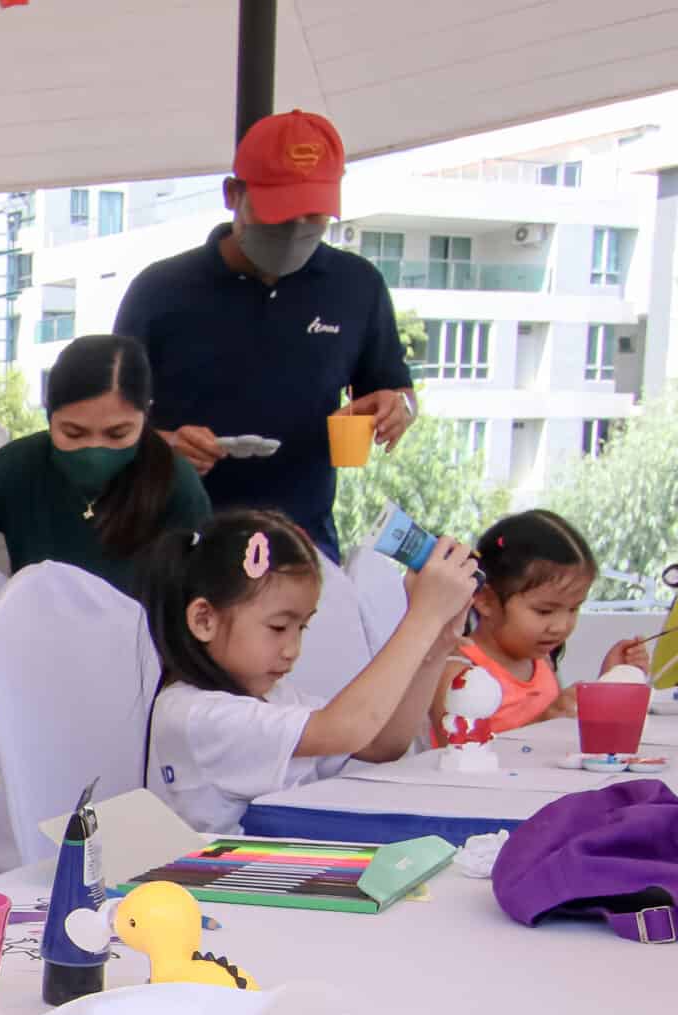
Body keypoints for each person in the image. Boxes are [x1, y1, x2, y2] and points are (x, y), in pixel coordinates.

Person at [113, 110, 415, 563]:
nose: (296, 230)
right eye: (279, 215)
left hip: (301, 544)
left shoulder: (357, 286)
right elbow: (105, 427)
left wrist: (399, 408)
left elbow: (395, 389)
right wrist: (164, 445)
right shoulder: (160, 291)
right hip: (177, 545)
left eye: (313, 215)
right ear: (233, 195)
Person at [144, 511, 478, 834]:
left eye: (301, 627)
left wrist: (438, 641)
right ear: (204, 620)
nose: (293, 649)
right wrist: (423, 617)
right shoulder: (194, 716)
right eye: (278, 627)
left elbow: (381, 743)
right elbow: (347, 728)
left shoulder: (273, 697)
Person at [0, 334, 212, 600]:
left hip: (142, 641)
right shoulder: (21, 463)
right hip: (41, 634)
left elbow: (204, 596)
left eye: (117, 434)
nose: (94, 452)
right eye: (74, 433)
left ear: (146, 415)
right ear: (49, 415)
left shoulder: (176, 482)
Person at [432, 509, 658, 739]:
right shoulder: (458, 671)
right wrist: (545, 721)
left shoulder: (542, 661)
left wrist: (610, 681)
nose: (561, 626)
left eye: (573, 608)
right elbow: (459, 756)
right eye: (544, 611)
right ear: (485, 600)